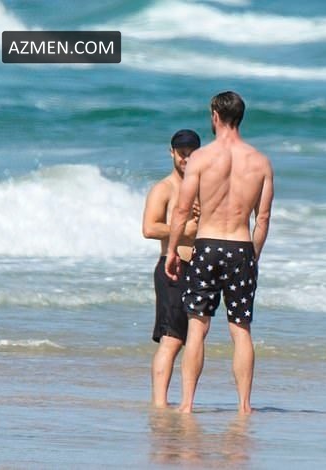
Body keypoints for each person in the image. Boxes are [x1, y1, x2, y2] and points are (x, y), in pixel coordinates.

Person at [165, 91, 274, 414]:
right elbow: (263, 219)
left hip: (207, 245)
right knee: (240, 329)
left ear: (215, 116)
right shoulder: (260, 162)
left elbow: (182, 210)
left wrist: (172, 250)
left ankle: (187, 404)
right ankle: (244, 405)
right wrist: (253, 256)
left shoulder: (201, 159)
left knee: (197, 327)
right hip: (241, 246)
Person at [142, 129, 201, 408]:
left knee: (193, 338)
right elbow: (149, 228)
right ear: (172, 153)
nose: (186, 159)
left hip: (199, 268)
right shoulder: (164, 189)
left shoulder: (203, 188)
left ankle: (183, 402)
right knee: (171, 339)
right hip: (172, 267)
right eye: (181, 154)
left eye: (191, 154)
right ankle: (160, 404)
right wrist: (183, 231)